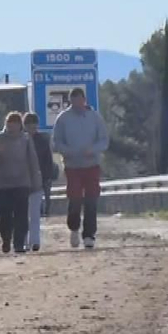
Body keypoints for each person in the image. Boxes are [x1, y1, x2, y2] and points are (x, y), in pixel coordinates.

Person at [52, 88, 109, 248]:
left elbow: (104, 140)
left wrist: (93, 149)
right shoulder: (63, 118)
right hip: (72, 166)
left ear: (84, 100)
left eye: (79, 101)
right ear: (70, 101)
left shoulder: (95, 117)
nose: (77, 104)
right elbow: (56, 142)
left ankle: (89, 235)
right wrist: (68, 151)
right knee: (75, 199)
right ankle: (74, 228)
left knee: (91, 199)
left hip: (92, 164)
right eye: (73, 101)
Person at [0, 112, 43, 255]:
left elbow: (33, 160)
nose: (12, 128)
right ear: (6, 124)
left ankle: (19, 244)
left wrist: (36, 181)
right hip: (3, 184)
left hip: (22, 183)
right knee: (5, 215)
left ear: (20, 125)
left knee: (21, 215)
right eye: (10, 125)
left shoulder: (26, 139)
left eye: (15, 125)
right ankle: (6, 239)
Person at [24, 112, 57, 252]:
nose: (31, 128)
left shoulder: (42, 141)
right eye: (29, 126)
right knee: (22, 214)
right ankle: (23, 241)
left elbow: (48, 161)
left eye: (34, 126)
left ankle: (35, 241)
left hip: (38, 181)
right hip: (22, 181)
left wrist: (47, 178)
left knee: (35, 213)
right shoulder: (20, 140)